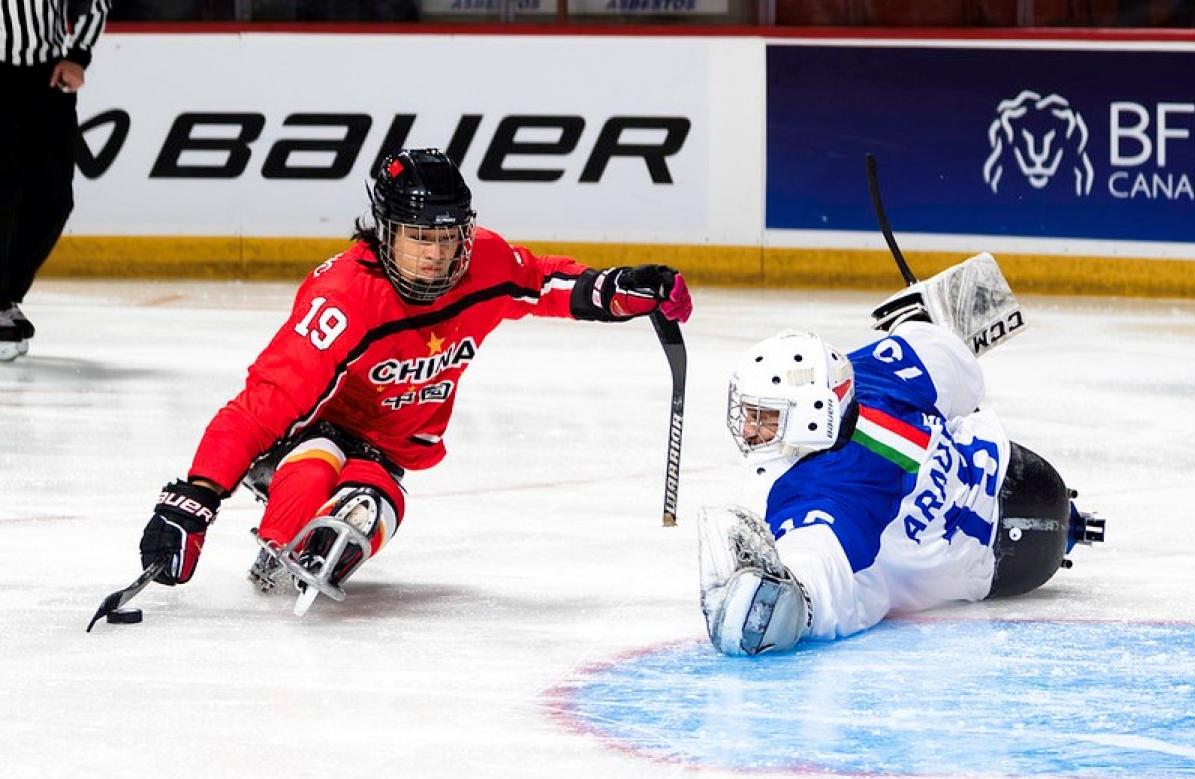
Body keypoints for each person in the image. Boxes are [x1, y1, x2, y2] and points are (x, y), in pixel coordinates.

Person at [136, 148, 693, 614]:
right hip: (315, 428)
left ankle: (317, 523)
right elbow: (263, 404)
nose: (437, 255)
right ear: (384, 231)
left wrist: (625, 288)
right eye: (418, 237)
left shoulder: (483, 265)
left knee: (370, 509)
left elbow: (547, 283)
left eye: (448, 237)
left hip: (387, 448)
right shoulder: (345, 300)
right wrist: (194, 498)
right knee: (313, 470)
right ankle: (283, 502)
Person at [698, 253, 1104, 656]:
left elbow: (800, 597)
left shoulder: (826, 502)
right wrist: (918, 322)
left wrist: (767, 600)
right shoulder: (875, 373)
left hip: (1003, 560)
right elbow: (946, 355)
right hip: (1021, 476)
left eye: (765, 417)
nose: (748, 429)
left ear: (812, 416)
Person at [1, 0, 110, 361]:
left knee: (54, 199)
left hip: (45, 79)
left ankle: (6, 296)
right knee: (4, 192)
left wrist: (78, 55)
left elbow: (95, 3)